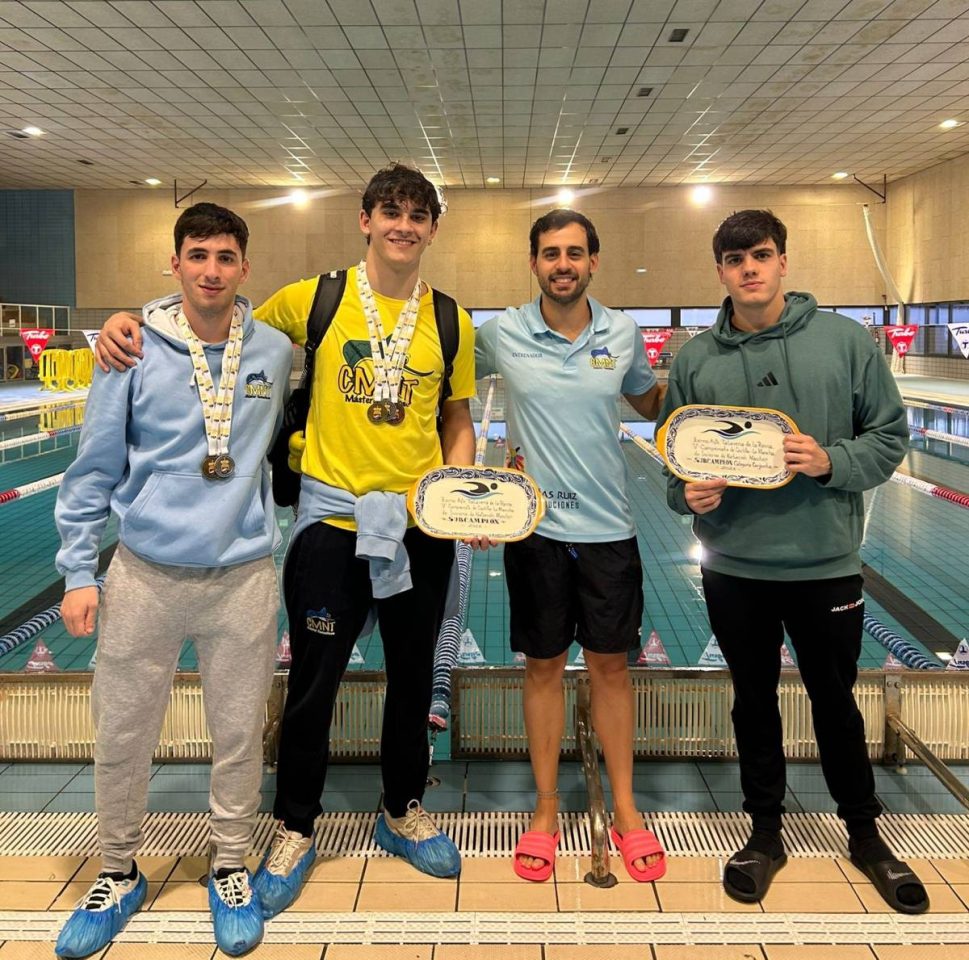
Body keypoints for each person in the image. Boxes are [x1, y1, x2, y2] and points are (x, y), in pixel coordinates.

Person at [95, 163, 477, 918]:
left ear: (432, 228)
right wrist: (129, 319)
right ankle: (295, 827)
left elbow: (457, 421)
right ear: (365, 220)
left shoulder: (450, 320)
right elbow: (213, 321)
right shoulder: (317, 298)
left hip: (415, 532)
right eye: (389, 211)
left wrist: (454, 499)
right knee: (312, 688)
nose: (402, 225)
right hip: (329, 530)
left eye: (417, 215)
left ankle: (402, 809)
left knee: (413, 682)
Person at [658, 209, 928, 913]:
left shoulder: (842, 342)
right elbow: (672, 463)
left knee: (835, 704)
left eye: (761, 255)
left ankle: (865, 834)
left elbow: (889, 436)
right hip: (734, 567)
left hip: (824, 566)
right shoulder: (695, 359)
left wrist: (831, 460)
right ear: (718, 269)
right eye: (734, 258)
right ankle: (764, 831)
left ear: (783, 262)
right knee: (752, 703)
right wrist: (686, 494)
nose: (748, 268)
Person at [53, 203, 293, 957]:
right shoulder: (131, 350)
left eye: (225, 256)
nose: (212, 270)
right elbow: (93, 467)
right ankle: (118, 868)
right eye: (198, 255)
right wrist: (75, 571)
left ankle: (229, 864)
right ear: (176, 263)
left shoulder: (277, 351)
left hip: (243, 575)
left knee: (236, 735)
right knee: (122, 731)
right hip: (145, 574)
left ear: (245, 267)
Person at [474, 209, 667, 883]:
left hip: (610, 528)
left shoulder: (622, 332)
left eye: (575, 253)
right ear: (533, 263)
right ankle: (547, 809)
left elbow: (651, 403)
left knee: (612, 670)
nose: (563, 263)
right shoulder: (499, 333)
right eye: (550, 253)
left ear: (593, 262)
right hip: (535, 532)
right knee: (543, 668)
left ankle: (624, 808)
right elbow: (435, 382)